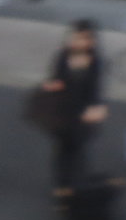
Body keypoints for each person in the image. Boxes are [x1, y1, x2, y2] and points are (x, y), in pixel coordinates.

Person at [41, 19, 107, 202]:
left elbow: (95, 89)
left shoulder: (95, 62)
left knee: (78, 149)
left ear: (91, 41)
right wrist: (51, 87)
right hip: (63, 111)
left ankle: (76, 184)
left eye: (83, 38)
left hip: (83, 112)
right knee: (63, 150)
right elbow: (55, 78)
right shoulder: (63, 56)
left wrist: (96, 107)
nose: (78, 42)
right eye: (76, 37)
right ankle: (62, 185)